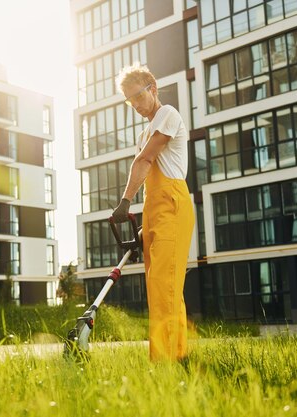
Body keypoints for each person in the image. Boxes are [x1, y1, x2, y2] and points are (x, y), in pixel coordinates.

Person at [111, 64, 194, 362]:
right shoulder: (144, 131)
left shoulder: (167, 114)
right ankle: (178, 355)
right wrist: (145, 223)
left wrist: (124, 201)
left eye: (136, 96)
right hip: (154, 208)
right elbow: (144, 167)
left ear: (152, 88)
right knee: (163, 285)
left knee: (164, 284)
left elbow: (146, 160)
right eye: (128, 100)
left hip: (173, 202)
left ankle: (164, 362)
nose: (134, 104)